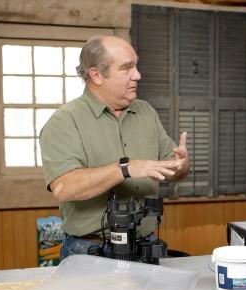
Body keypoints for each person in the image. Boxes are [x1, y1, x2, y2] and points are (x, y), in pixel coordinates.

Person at [40, 35, 190, 259]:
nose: (137, 75)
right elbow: (65, 188)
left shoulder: (146, 112)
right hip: (90, 251)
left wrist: (181, 165)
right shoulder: (64, 121)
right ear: (96, 75)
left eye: (136, 66)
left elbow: (173, 168)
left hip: (146, 243)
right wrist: (126, 167)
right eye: (126, 68)